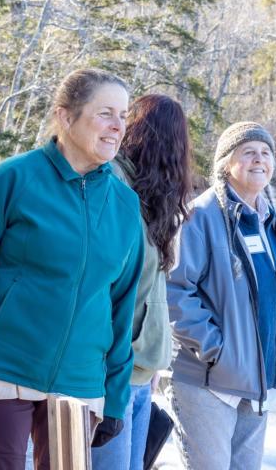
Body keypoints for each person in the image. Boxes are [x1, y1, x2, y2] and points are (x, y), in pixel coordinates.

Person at [0, 68, 144, 469]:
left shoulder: (125, 205)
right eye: (105, 113)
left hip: (79, 381)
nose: (118, 126)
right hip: (2, 369)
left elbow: (121, 307)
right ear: (65, 117)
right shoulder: (14, 178)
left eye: (124, 115)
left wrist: (116, 395)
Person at [165, 121, 276, 470]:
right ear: (226, 162)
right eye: (249, 152)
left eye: (266, 152)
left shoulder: (275, 222)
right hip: (208, 383)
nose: (260, 160)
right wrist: (218, 352)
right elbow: (174, 290)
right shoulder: (200, 217)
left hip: (256, 385)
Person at [91, 94, 192, 469]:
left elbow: (157, 287)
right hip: (108, 370)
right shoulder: (113, 181)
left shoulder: (156, 198)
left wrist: (154, 363)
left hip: (140, 370)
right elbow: (100, 281)